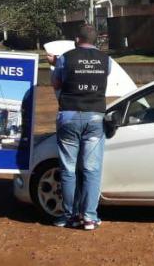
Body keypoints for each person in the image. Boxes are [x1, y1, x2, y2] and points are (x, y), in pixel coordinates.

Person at [47, 24, 109, 231]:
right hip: (95, 118)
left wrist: (56, 64)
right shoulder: (105, 60)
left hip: (69, 117)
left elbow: (57, 82)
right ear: (96, 39)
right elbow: (93, 73)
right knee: (92, 169)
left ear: (76, 39)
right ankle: (90, 217)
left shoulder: (66, 57)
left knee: (68, 169)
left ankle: (70, 216)